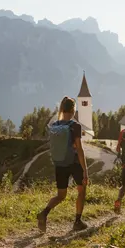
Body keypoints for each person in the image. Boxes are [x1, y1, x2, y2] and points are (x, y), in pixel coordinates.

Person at [37, 96, 89, 233]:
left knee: (61, 195)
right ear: (73, 109)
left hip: (59, 163)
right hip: (74, 163)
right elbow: (79, 148)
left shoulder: (55, 126)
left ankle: (44, 213)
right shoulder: (75, 126)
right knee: (82, 190)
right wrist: (85, 170)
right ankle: (77, 222)